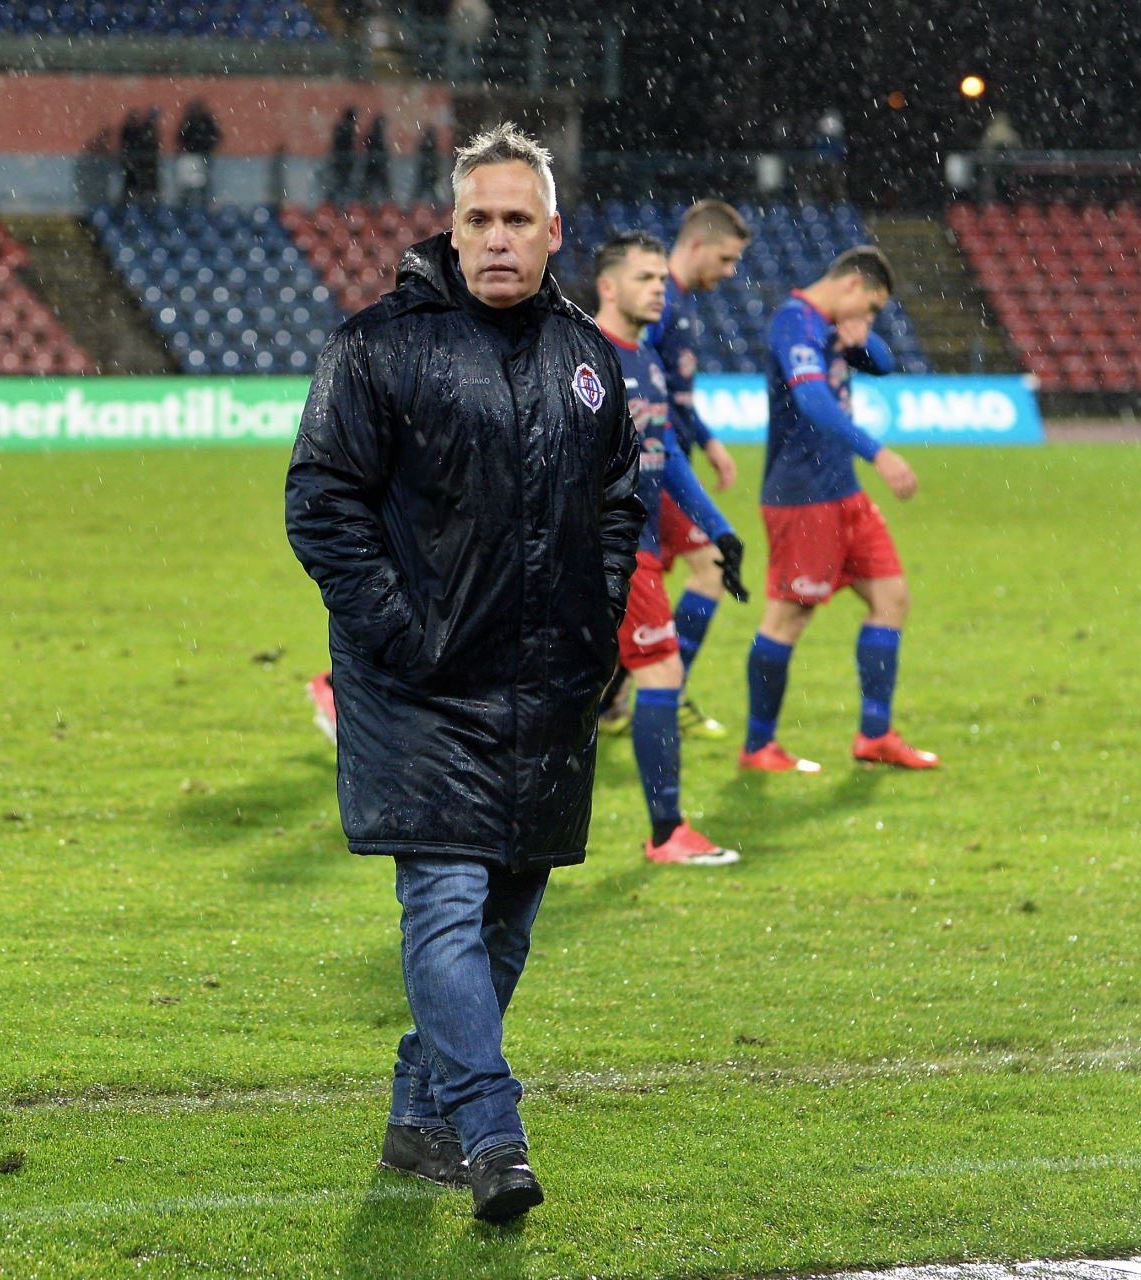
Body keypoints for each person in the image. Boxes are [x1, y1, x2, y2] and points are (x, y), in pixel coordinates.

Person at [287, 124, 642, 1222]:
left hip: (547, 691)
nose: (496, 238)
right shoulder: (377, 347)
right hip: (422, 694)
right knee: (444, 905)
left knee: (504, 928)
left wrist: (595, 626)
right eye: (478, 218)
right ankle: (493, 1135)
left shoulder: (589, 360)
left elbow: (618, 502)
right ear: (450, 226)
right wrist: (406, 638)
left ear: (553, 232)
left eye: (516, 220)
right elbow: (321, 504)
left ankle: (418, 1115)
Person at [741, 244, 936, 774]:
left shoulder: (833, 326)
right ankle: (758, 746)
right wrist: (879, 453)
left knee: (891, 598)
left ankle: (875, 735)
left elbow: (885, 366)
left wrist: (863, 335)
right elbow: (813, 401)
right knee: (789, 617)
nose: (869, 318)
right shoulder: (795, 322)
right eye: (870, 308)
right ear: (851, 284)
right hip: (802, 496)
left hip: (843, 492)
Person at [590, 232, 749, 866]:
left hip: (644, 539)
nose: (659, 289)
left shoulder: (646, 359)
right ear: (608, 286)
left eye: (661, 278)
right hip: (612, 547)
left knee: (581, 682)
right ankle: (666, 834)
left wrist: (719, 528)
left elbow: (667, 452)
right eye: (644, 278)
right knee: (659, 671)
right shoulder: (586, 359)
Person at [175, 99, 222, 208]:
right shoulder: (189, 123)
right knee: (187, 184)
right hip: (191, 156)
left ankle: (204, 205)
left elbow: (215, 136)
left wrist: (204, 147)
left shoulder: (205, 122)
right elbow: (181, 137)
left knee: (204, 183)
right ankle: (186, 206)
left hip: (203, 155)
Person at [327, 107, 358, 204]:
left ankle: (336, 202)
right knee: (341, 183)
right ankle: (337, 203)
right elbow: (346, 144)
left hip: (341, 160)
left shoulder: (341, 127)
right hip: (343, 160)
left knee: (339, 183)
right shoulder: (347, 128)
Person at [362, 114, 391, 204]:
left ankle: (367, 201)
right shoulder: (376, 134)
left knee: (370, 185)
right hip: (376, 164)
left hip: (374, 164)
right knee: (379, 185)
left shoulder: (374, 133)